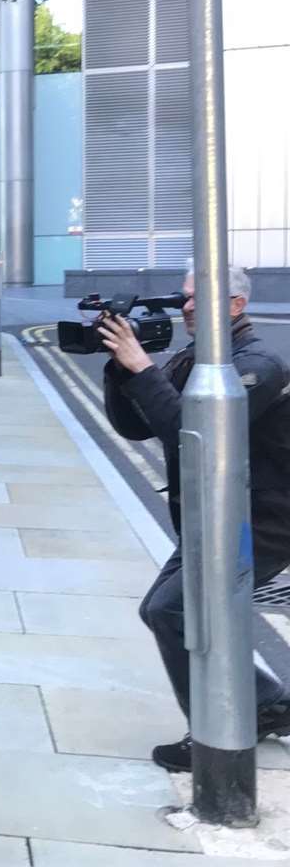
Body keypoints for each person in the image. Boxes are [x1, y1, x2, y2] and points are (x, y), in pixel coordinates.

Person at [101, 262, 290, 772]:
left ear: (236, 306)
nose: (187, 306)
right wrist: (119, 370)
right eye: (185, 296)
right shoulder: (197, 360)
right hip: (214, 518)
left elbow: (190, 433)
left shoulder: (260, 364)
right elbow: (138, 426)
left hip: (258, 525)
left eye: (199, 298)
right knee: (163, 609)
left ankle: (213, 735)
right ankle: (268, 702)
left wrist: (141, 367)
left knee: (171, 609)